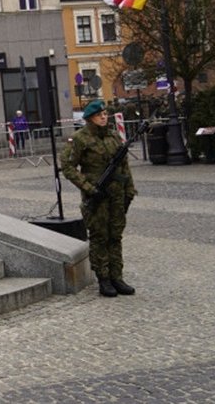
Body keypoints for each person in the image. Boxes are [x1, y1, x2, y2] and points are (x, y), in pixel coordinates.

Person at [60, 100, 138, 298]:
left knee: (115, 235)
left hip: (117, 194)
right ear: (90, 118)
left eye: (105, 114)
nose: (104, 117)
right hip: (97, 195)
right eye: (99, 115)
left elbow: (124, 166)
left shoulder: (113, 137)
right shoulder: (80, 139)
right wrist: (88, 187)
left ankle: (117, 276)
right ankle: (103, 278)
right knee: (99, 236)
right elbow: (68, 167)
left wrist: (129, 189)